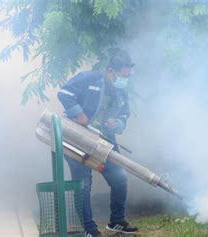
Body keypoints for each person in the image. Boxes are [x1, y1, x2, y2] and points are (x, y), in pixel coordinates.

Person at [57, 49, 138, 237]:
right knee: (83, 183)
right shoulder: (88, 78)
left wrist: (117, 123)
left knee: (120, 177)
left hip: (105, 141)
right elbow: (64, 93)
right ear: (111, 72)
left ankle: (117, 222)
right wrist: (79, 113)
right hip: (77, 138)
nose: (125, 80)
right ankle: (89, 230)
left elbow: (125, 114)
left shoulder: (121, 92)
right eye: (123, 75)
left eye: (128, 76)